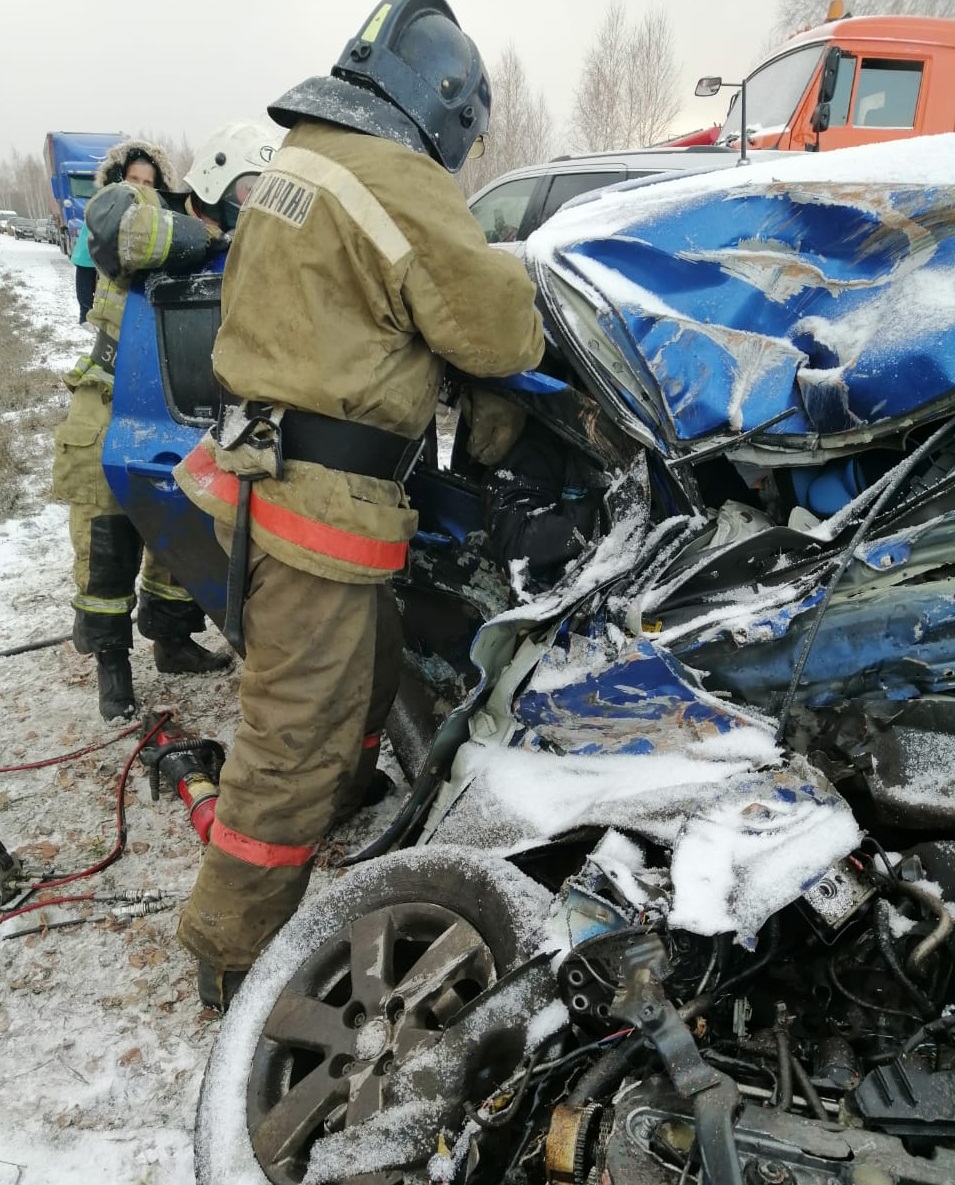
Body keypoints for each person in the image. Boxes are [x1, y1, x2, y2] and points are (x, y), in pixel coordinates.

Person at [173, 0, 545, 1010]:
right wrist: (521, 278)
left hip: (258, 472)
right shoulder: (397, 178)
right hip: (318, 506)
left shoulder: (302, 157)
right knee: (294, 740)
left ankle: (346, 810)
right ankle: (233, 955)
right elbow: (500, 332)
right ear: (450, 104)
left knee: (364, 675)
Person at [53, 127, 280, 722]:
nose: (141, 189)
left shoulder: (196, 236)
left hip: (172, 400)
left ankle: (173, 641)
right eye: (135, 181)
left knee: (176, 537)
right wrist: (212, 233)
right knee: (106, 547)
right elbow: (122, 229)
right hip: (108, 402)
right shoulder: (128, 220)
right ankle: (112, 667)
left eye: (151, 181)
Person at [70, 218, 97, 326]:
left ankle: (86, 315)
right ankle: (85, 316)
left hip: (92, 252)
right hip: (90, 253)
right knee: (86, 287)